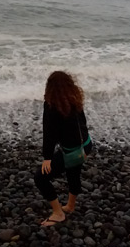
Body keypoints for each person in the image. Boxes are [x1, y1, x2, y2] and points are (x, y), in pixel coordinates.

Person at [34, 71, 92, 226]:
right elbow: (83, 123)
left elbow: (49, 133)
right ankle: (71, 206)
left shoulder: (51, 105)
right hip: (85, 145)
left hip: (72, 151)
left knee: (40, 178)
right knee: (74, 172)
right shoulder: (75, 99)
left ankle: (58, 213)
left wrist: (47, 157)